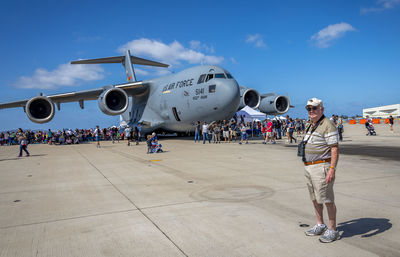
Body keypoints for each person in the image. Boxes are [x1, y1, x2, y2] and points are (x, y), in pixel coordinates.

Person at [302, 98, 340, 243]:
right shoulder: (310, 124)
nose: (311, 111)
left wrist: (332, 169)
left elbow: (334, 148)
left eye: (314, 108)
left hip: (322, 167)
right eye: (309, 109)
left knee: (327, 199)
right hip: (309, 166)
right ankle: (320, 225)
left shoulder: (327, 125)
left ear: (322, 109)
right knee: (315, 198)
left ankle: (333, 229)